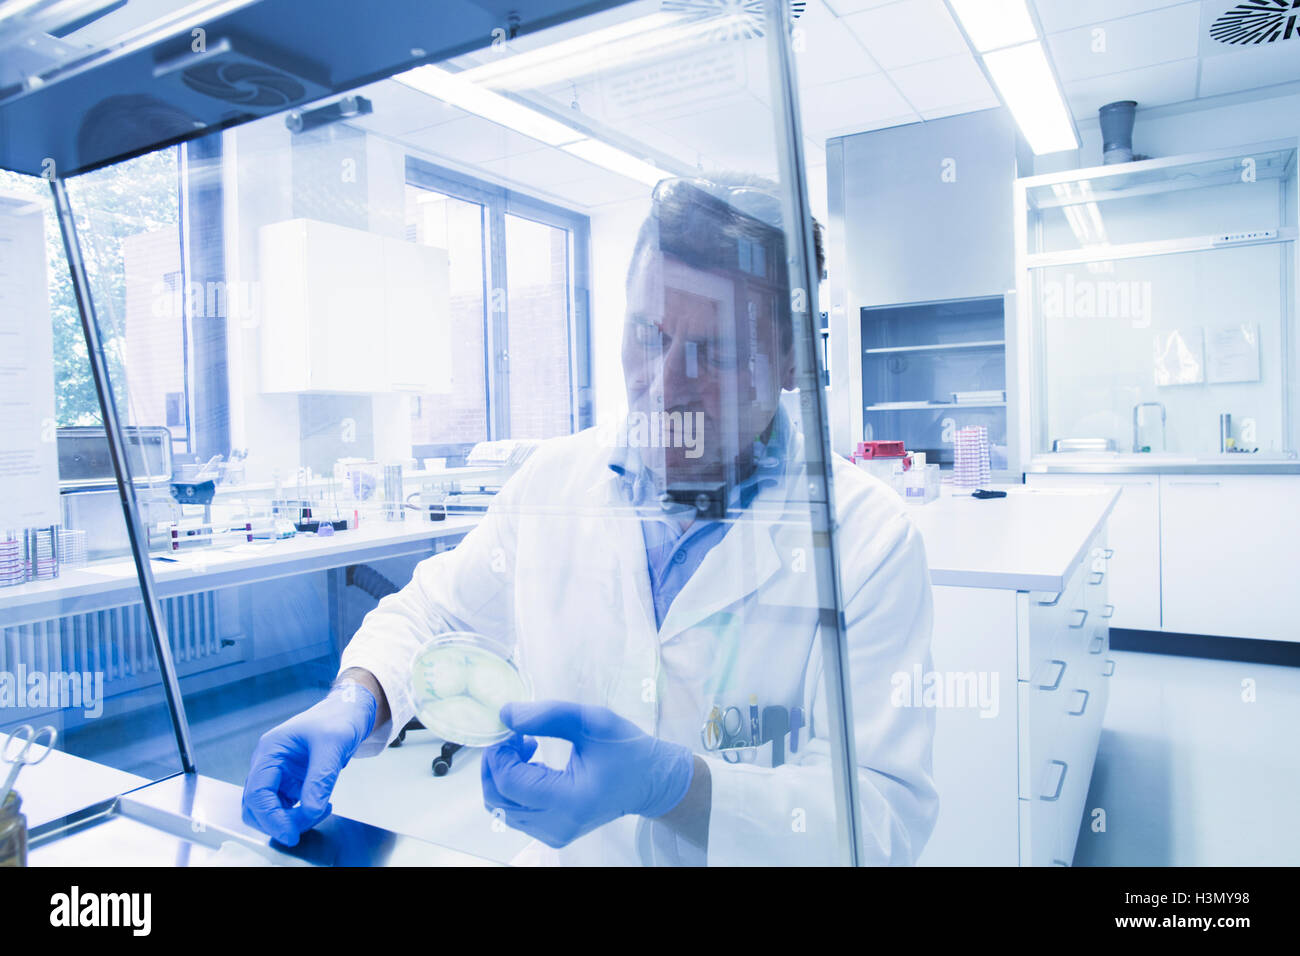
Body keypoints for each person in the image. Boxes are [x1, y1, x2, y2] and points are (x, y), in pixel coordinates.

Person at [241, 174, 938, 866]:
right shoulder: (555, 480)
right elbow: (433, 614)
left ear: (793, 358)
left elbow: (880, 823)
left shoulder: (866, 540)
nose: (665, 386)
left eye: (716, 351)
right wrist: (355, 699)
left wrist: (675, 788)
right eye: (647, 334)